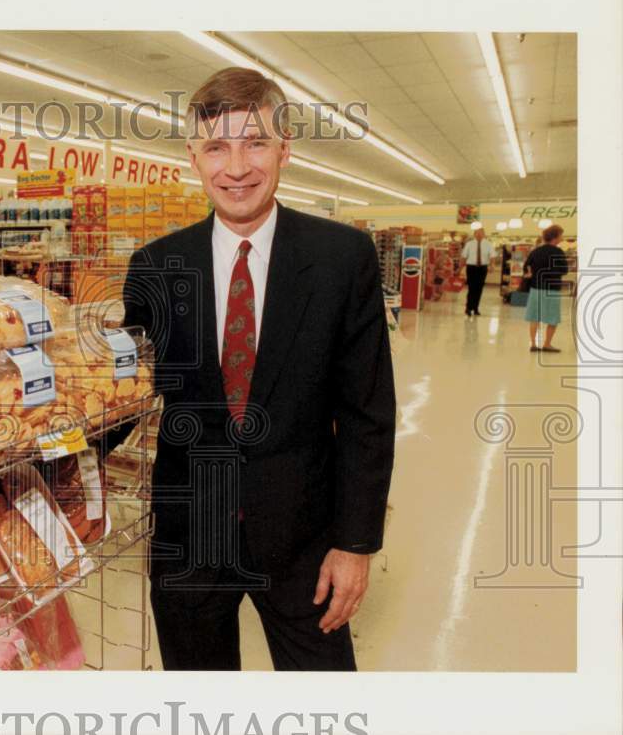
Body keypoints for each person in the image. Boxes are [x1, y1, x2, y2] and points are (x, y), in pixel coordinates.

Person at [119, 67, 396, 671]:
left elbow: (368, 413)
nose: (236, 167)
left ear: (285, 150)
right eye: (217, 145)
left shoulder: (341, 259)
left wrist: (355, 544)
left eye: (255, 142)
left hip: (305, 541)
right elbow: (128, 396)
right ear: (193, 157)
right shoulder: (155, 267)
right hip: (190, 537)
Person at [522, 224, 569, 352]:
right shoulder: (558, 252)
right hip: (552, 289)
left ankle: (533, 344)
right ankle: (547, 344)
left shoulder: (536, 251)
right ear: (555, 237)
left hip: (536, 287)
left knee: (534, 317)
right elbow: (564, 270)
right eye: (561, 235)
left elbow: (526, 267)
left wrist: (533, 273)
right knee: (552, 318)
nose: (562, 237)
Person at [460, 227, 494, 317]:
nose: (479, 235)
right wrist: (460, 268)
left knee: (479, 288)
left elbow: (492, 256)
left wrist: (491, 265)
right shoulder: (469, 244)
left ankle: (475, 308)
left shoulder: (488, 244)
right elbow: (463, 256)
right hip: (471, 268)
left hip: (482, 268)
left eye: (481, 233)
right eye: (477, 233)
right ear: (474, 234)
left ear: (484, 234)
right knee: (471, 288)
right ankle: (468, 308)